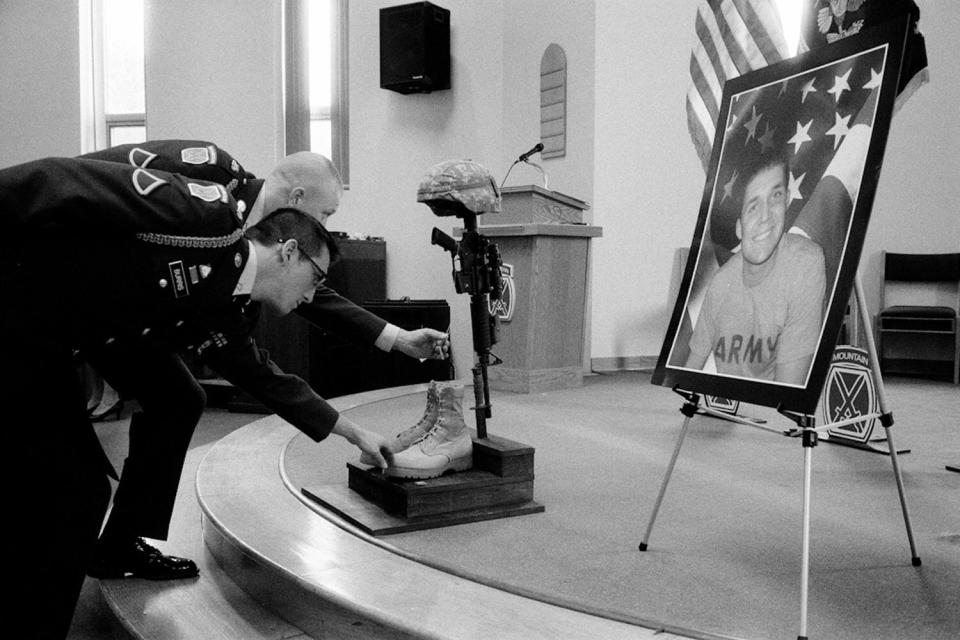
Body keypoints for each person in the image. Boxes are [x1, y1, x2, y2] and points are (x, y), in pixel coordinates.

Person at [0, 156, 392, 639]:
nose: (313, 297)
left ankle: (110, 553)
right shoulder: (207, 218)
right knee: (72, 493)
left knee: (102, 467)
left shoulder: (222, 300)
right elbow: (63, 182)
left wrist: (351, 431)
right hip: (17, 326)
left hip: (51, 343)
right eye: (315, 279)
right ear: (289, 252)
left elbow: (260, 375)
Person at [74, 141, 449, 582]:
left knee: (179, 399)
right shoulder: (210, 177)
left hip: (129, 321)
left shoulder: (263, 250)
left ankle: (119, 545)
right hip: (76, 299)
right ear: (297, 202)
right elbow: (94, 178)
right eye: (326, 215)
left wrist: (396, 337)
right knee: (76, 481)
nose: (327, 225)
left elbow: (303, 290)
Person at [684, 150, 826, 384]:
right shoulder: (721, 284)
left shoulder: (805, 264)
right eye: (752, 207)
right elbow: (688, 374)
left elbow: (787, 393)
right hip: (729, 413)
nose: (765, 216)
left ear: (788, 200)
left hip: (771, 414)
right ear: (739, 227)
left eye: (775, 196)